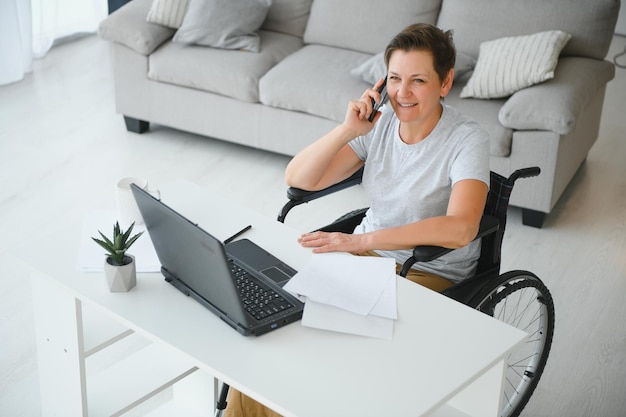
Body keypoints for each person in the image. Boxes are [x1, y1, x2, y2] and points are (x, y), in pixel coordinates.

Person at [224, 22, 489, 417]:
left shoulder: (467, 140)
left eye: (418, 80)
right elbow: (299, 178)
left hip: (428, 268)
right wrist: (349, 129)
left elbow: (462, 227)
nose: (402, 93)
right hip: (364, 259)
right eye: (395, 79)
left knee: (322, 357)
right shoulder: (378, 127)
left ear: (445, 82)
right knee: (270, 348)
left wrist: (364, 242)